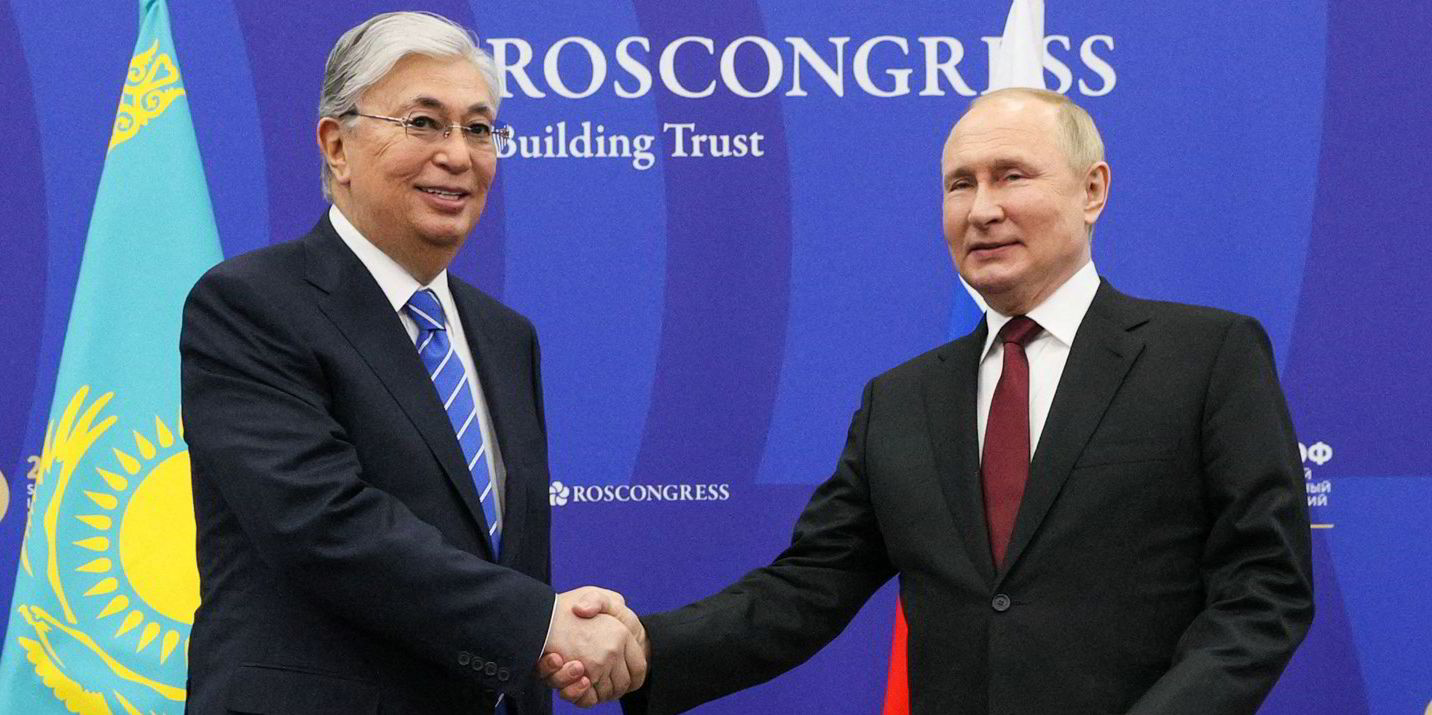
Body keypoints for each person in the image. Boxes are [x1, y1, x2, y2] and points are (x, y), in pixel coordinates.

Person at [549, 88, 1314, 713]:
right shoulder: (901, 401)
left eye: (1011, 176)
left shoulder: (1207, 356)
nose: (981, 209)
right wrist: (645, 648)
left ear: (1093, 190)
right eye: (960, 184)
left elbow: (1264, 590)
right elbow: (805, 589)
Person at [180, 12, 644, 714]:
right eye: (423, 123)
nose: (457, 155)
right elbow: (322, 524)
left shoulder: (505, 336)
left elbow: (506, 563)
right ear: (337, 145)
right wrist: (541, 622)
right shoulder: (251, 304)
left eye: (479, 129)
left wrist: (547, 645)